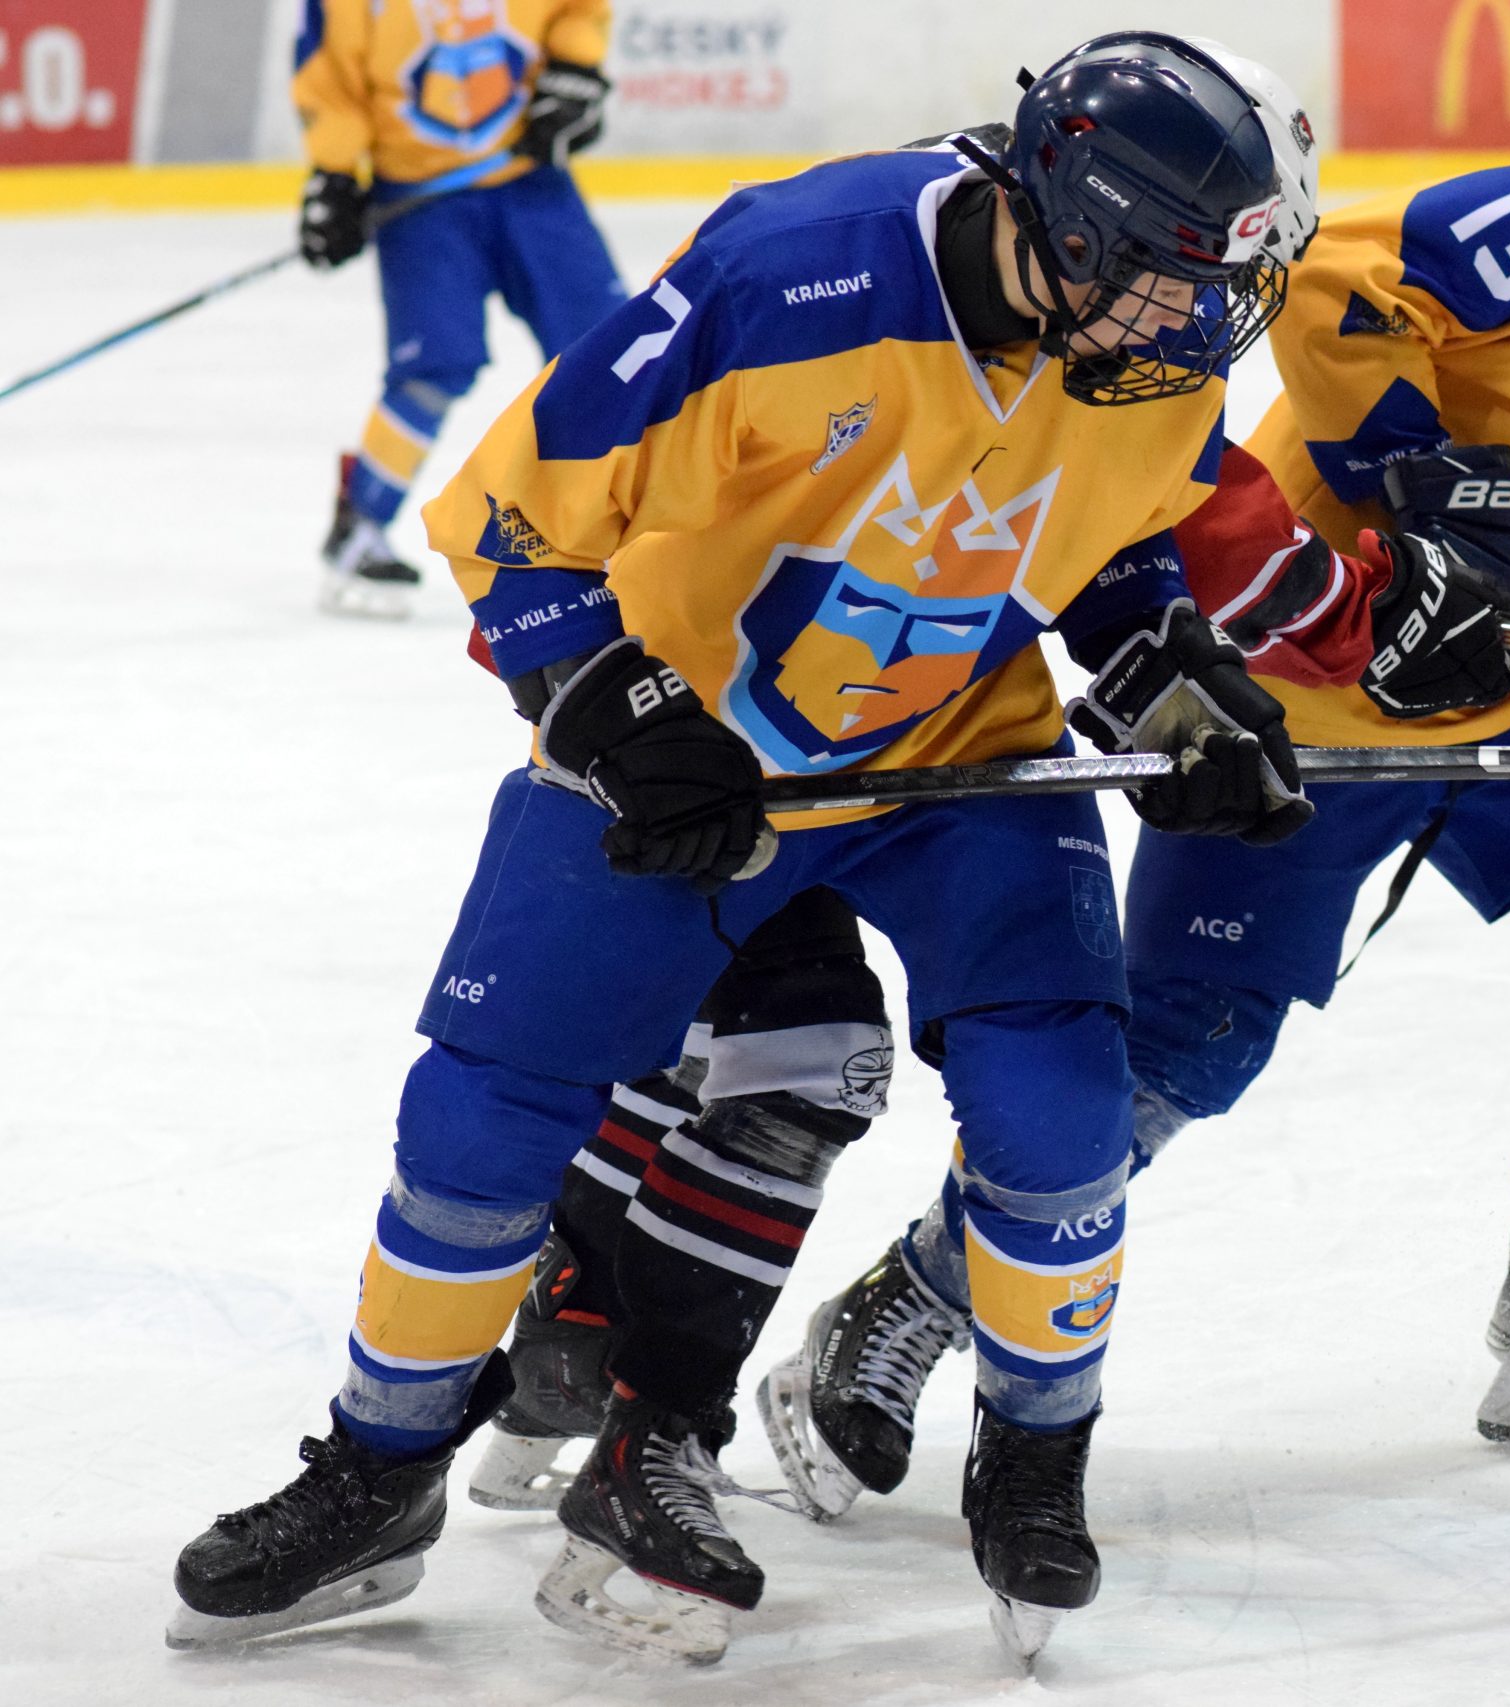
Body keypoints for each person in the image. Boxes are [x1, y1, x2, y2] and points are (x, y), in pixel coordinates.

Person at [168, 33, 1306, 1665]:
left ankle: (1034, 1460)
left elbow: (1114, 537)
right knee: (482, 1107)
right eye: (1165, 279)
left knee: (1061, 1111)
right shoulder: (794, 274)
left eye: (1214, 284)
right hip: (697, 744)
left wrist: (1166, 676)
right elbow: (508, 522)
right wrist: (616, 707)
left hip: (959, 756)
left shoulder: (1137, 336)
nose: (1194, 324)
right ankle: (379, 1468)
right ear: (1067, 221)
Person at [751, 107, 1510, 1505]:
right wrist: (1421, 483)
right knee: (1184, 1047)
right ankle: (907, 1301)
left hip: (1502, 711)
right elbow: (1339, 280)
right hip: (1310, 695)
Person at [292, 0, 624, 618]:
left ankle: (637, 522)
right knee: (435, 363)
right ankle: (361, 522)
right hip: (421, 197)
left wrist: (575, 70)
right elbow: (329, 73)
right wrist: (333, 173)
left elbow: (577, 11)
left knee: (607, 352)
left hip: (530, 180)